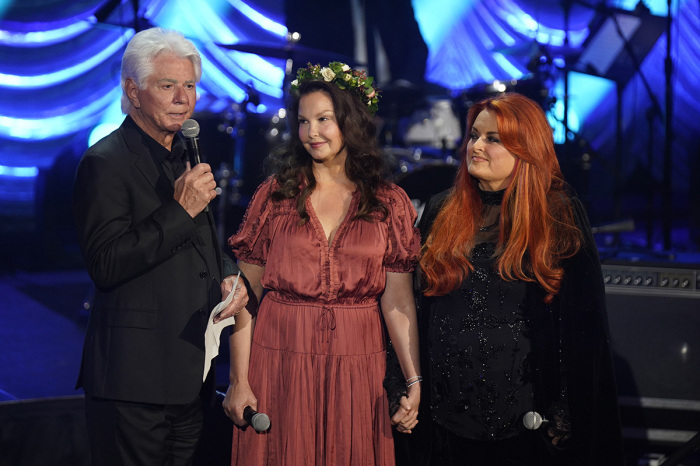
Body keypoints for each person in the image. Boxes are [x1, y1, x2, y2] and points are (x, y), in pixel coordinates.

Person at [389, 92, 625, 465]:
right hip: (445, 423)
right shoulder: (441, 208)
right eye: (474, 136)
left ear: (525, 148)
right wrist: (404, 385)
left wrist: (565, 414)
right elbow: (415, 309)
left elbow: (585, 329)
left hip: (526, 426)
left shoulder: (557, 214)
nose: (476, 146)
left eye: (493, 139)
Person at [222, 61, 422, 465]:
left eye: (324, 119)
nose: (311, 132)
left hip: (358, 363)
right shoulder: (275, 196)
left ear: (351, 121)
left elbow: (398, 302)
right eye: (304, 121)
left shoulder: (388, 203)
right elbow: (244, 298)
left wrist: (413, 378)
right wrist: (239, 381)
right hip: (280, 358)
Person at [72, 27, 248, 465]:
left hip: (190, 375)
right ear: (133, 91)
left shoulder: (187, 152)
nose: (182, 98)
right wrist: (179, 210)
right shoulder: (104, 163)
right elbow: (106, 264)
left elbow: (202, 239)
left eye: (189, 86)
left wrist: (227, 268)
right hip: (133, 384)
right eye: (167, 86)